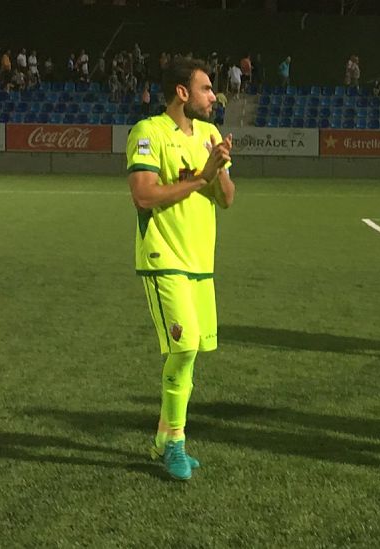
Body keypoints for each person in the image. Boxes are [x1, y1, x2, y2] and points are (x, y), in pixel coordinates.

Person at [125, 57, 236, 481]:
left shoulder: (209, 135)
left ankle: (162, 438)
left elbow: (226, 199)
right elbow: (144, 196)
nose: (214, 97)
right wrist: (200, 177)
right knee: (184, 348)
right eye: (207, 89)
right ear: (182, 92)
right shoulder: (148, 132)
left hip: (200, 262)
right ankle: (175, 443)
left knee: (189, 358)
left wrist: (219, 169)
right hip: (163, 257)